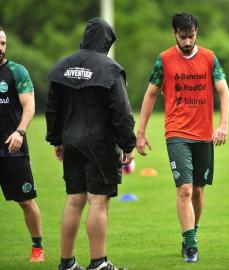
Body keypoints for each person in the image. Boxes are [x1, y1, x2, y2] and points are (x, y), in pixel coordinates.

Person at [136, 12, 229, 263]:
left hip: (203, 134)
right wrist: (141, 132)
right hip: (176, 133)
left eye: (191, 36)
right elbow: (150, 95)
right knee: (185, 189)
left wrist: (223, 124)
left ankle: (191, 234)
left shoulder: (210, 59)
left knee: (199, 191)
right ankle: (190, 245)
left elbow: (223, 91)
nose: (187, 42)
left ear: (196, 32)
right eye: (182, 37)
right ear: (174, 34)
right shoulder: (164, 60)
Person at [45, 18, 136, 270]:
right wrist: (128, 144)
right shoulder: (110, 69)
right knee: (98, 201)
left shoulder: (63, 66)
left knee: (74, 200)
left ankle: (67, 263)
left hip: (71, 142)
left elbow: (52, 107)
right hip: (100, 145)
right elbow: (121, 111)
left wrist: (56, 139)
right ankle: (98, 263)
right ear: (106, 41)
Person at [0, 26, 45, 263]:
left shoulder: (17, 72)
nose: (0, 48)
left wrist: (20, 131)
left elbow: (29, 106)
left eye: (3, 43)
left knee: (26, 201)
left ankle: (37, 247)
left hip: (12, 147)